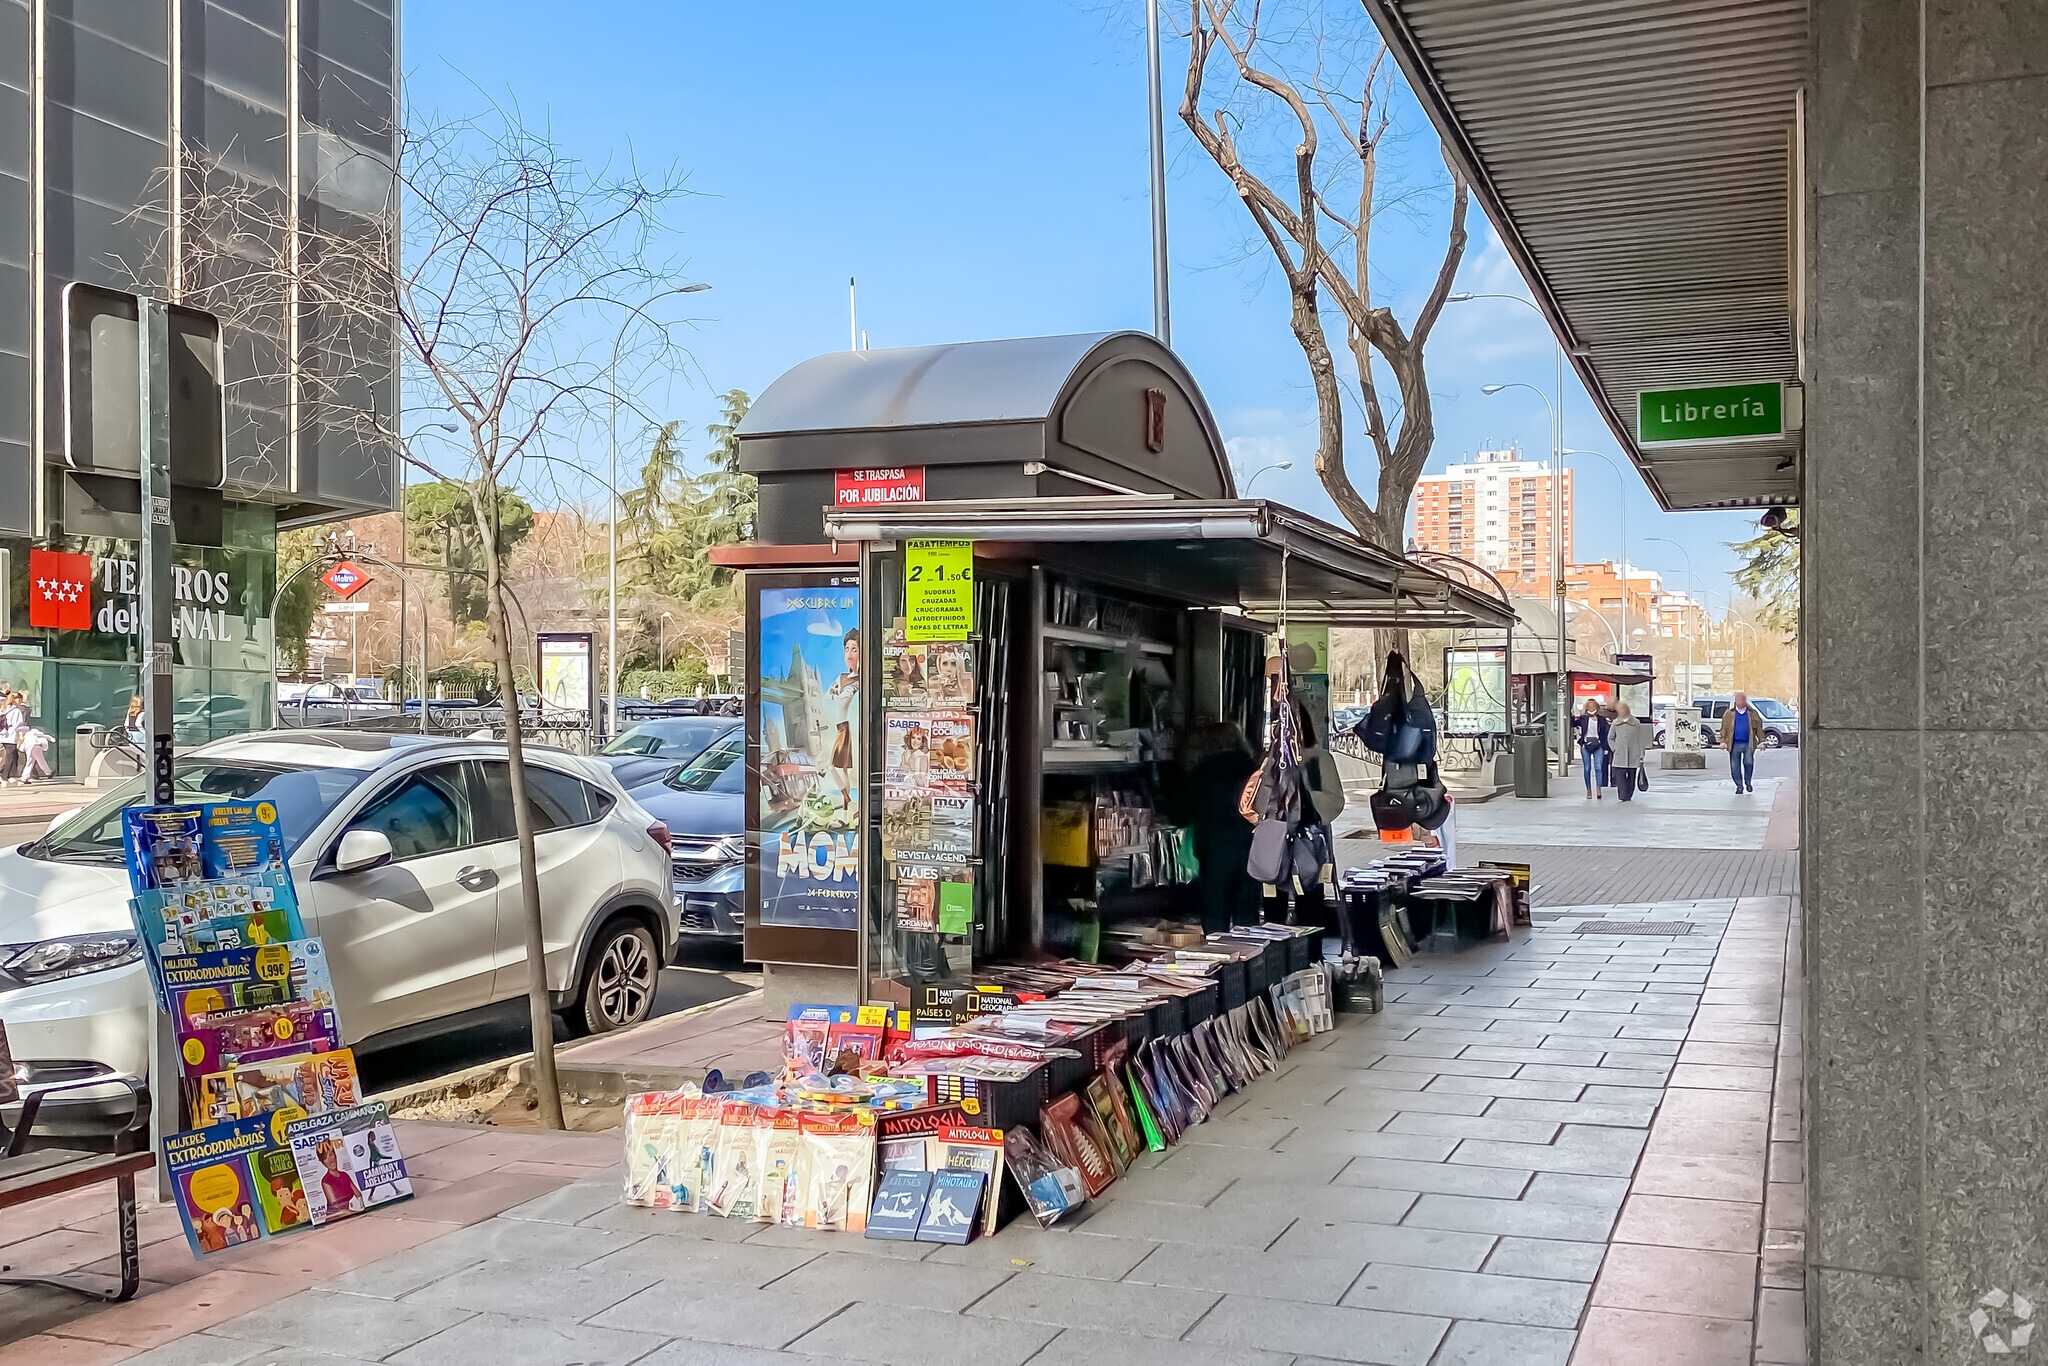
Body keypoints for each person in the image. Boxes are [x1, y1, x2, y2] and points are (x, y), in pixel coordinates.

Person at [1609, 701, 1650, 802]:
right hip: (1619, 755)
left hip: (1633, 754)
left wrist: (1641, 754)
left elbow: (1640, 739)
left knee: (1631, 777)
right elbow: (1610, 737)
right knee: (1620, 777)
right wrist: (1614, 748)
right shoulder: (1615, 723)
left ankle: (1629, 795)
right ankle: (1623, 795)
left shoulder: (1636, 723)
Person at [1571, 697, 1610, 800]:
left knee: (1598, 767)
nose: (1591, 708)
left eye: (1593, 706)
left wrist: (1606, 746)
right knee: (1587, 768)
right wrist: (1572, 715)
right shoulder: (1583, 718)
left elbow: (1606, 732)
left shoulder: (1601, 719)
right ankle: (1588, 789)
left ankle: (1598, 788)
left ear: (1596, 707)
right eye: (1589, 706)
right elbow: (1572, 724)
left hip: (1598, 745)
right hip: (1585, 745)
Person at [1724, 690, 1758, 794]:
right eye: (1739, 699)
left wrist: (1762, 740)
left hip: (1748, 743)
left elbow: (1759, 728)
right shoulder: (1729, 714)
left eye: (1743, 699)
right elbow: (1724, 729)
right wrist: (1722, 741)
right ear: (1735, 701)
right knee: (1735, 766)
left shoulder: (1752, 713)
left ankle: (1748, 782)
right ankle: (1739, 786)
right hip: (1734, 744)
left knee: (1749, 762)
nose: (1741, 701)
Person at [0, 692, 24, 785]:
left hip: (3, 735)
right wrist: (25, 730)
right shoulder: (16, 711)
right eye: (19, 699)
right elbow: (18, 725)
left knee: (12, 755)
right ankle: (5, 777)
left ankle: (12, 776)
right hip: (11, 736)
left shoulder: (3, 709)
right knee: (10, 757)